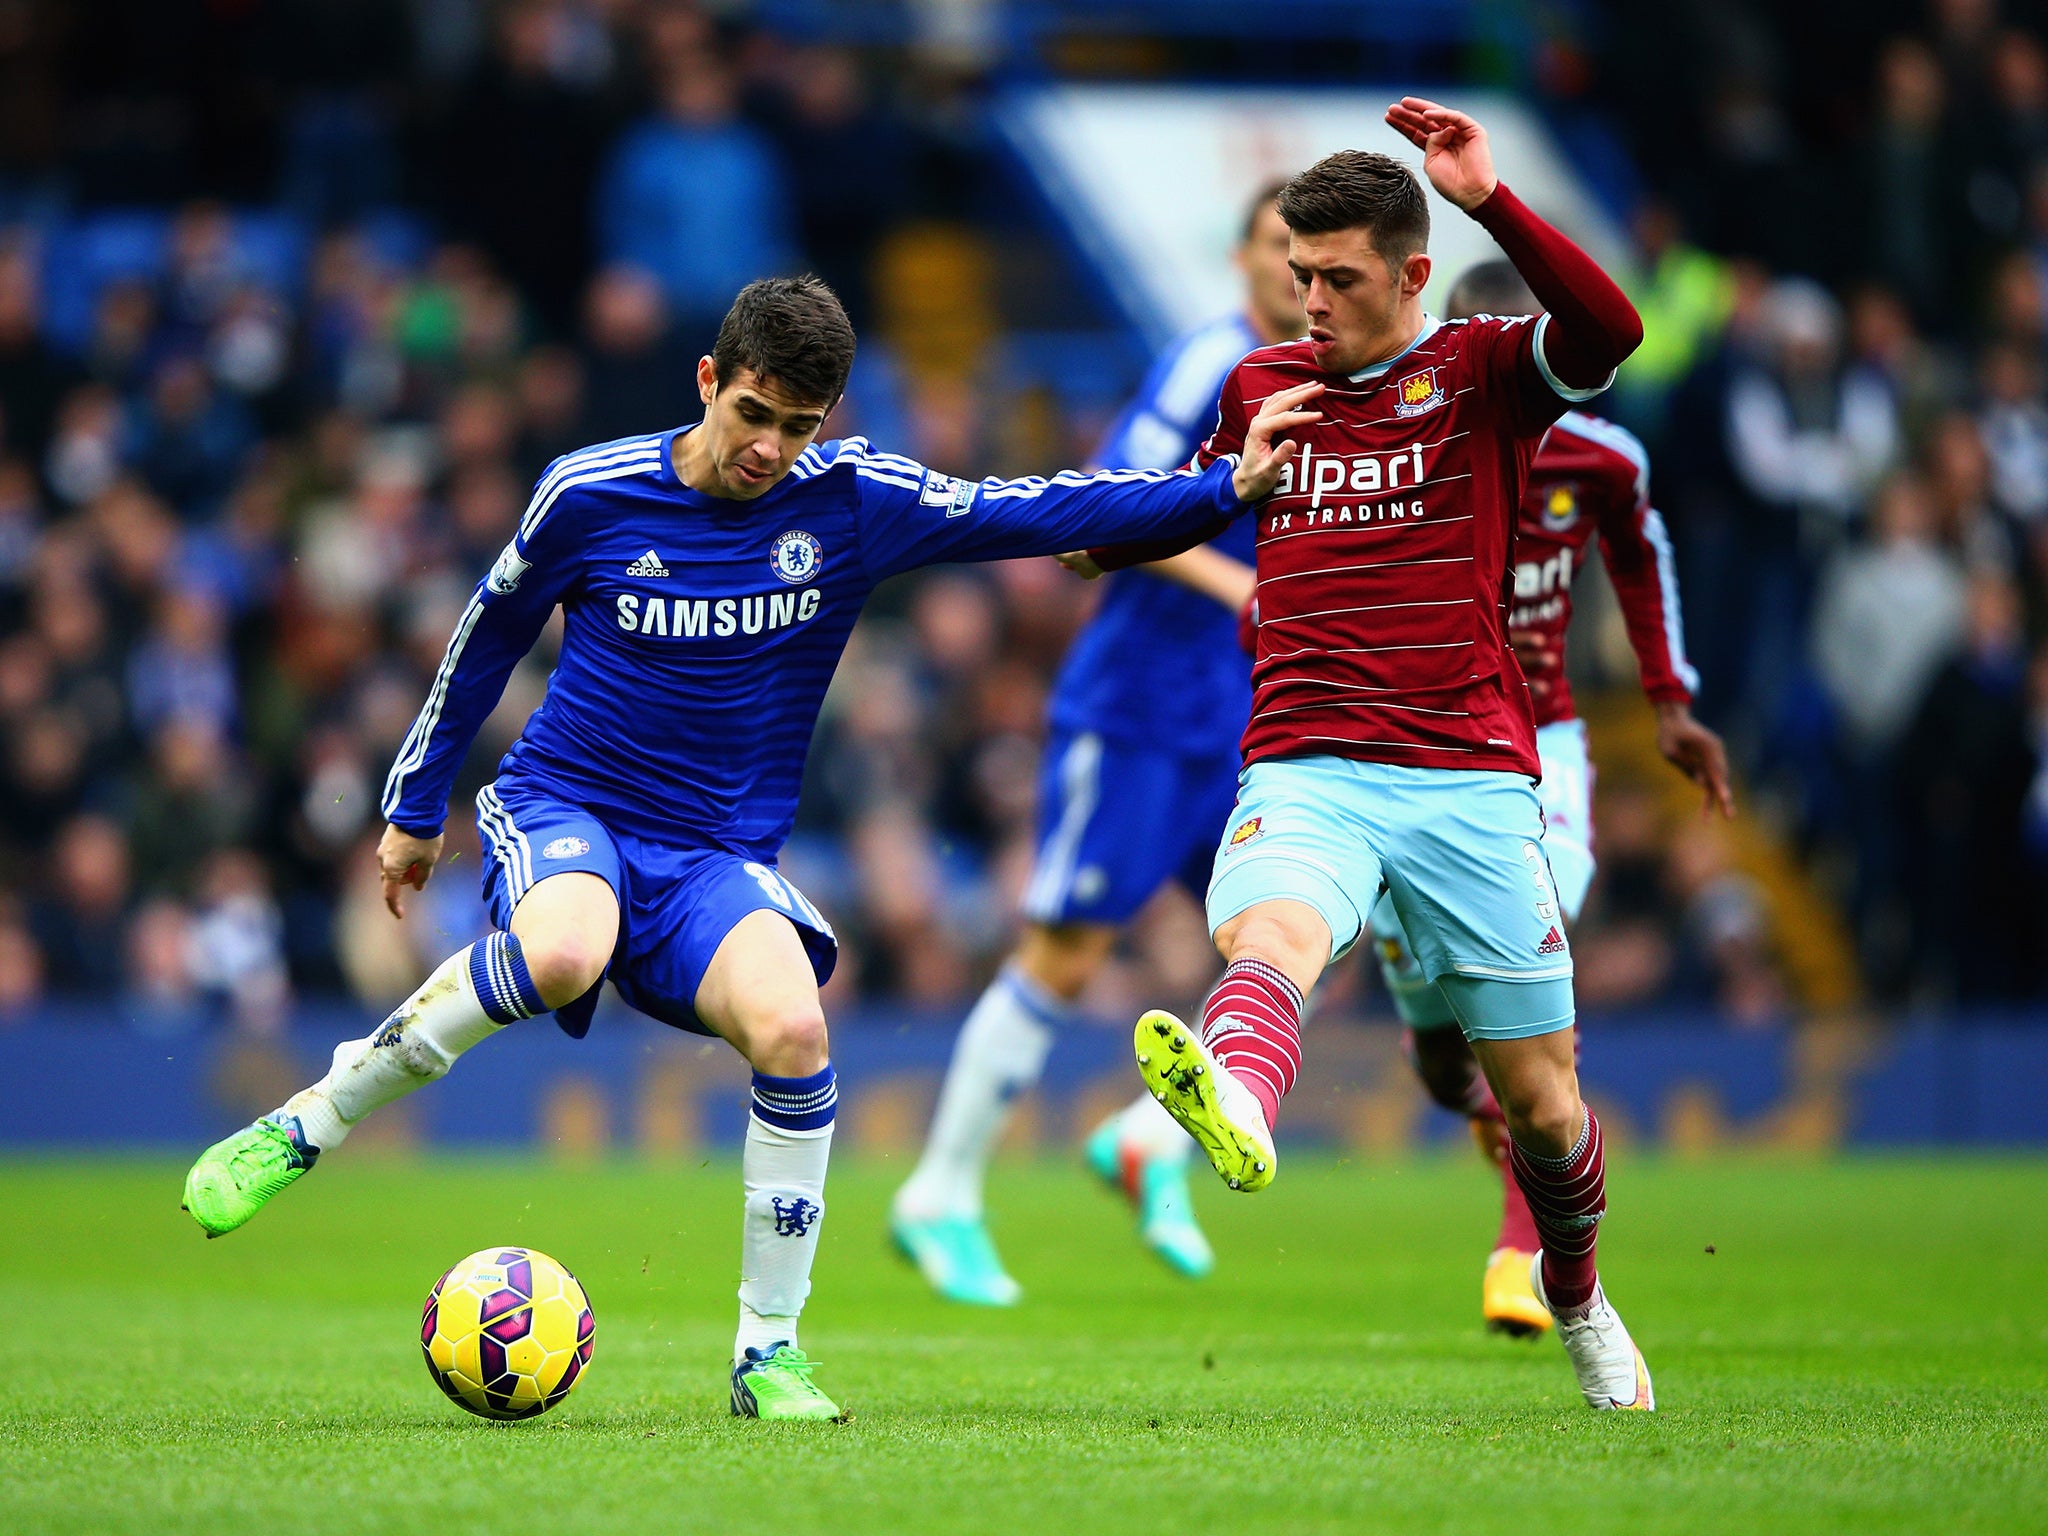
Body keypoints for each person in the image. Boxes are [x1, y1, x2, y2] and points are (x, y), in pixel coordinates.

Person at [179, 275, 1312, 1421]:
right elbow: (488, 635)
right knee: (565, 950)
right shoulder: (589, 493)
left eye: (799, 427)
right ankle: (304, 1124)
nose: (769, 449)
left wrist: (1226, 488)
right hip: (567, 801)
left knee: (793, 1026)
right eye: (754, 415)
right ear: (709, 382)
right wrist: (417, 807)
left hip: (713, 848)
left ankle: (766, 1351)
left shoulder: (858, 498)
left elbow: (1039, 509)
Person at [1082, 100, 1655, 1410]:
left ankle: (1577, 1295)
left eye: (1339, 279)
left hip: (1467, 777)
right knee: (1268, 938)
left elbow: (1612, 334)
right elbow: (1172, 517)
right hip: (1307, 761)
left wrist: (1493, 201)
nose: (1310, 303)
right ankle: (1237, 1099)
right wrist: (1178, 506)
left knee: (1546, 1107)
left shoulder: (1485, 373)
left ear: (1409, 273)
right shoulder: (1259, 389)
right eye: (1298, 275)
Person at [891, 184, 1299, 1304]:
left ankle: (1142, 1138)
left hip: (1231, 715)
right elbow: (1114, 508)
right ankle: (938, 1193)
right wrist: (1241, 589)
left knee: (1295, 922)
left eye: (1306, 252)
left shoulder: (1313, 377)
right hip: (1133, 709)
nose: (1292, 270)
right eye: (1274, 246)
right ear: (1239, 258)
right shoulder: (1209, 363)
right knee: (1064, 954)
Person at [1360, 259, 1732, 1339]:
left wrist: (1667, 702)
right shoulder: (1403, 445)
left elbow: (1636, 551)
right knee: (1442, 1061)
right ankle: (1479, 1090)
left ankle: (1523, 1252)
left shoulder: (1598, 461)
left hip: (1538, 746)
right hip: (1408, 752)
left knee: (1533, 935)